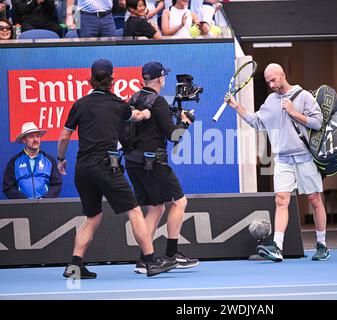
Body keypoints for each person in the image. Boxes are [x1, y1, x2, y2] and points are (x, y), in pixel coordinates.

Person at [57, 59, 177, 279]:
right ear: (112, 79)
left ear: (91, 78)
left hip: (82, 169)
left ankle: (74, 266)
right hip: (105, 166)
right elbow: (138, 115)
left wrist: (60, 158)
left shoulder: (80, 104)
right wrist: (147, 114)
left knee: (93, 217)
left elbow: (65, 135)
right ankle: (150, 260)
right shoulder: (117, 103)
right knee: (134, 210)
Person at [224, 63, 330, 262]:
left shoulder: (304, 96)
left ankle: (322, 245)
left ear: (282, 75)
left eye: (274, 80)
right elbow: (256, 122)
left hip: (305, 156)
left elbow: (317, 123)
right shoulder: (270, 101)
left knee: (314, 200)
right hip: (282, 159)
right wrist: (235, 105)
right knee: (281, 200)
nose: (271, 84)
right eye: (268, 82)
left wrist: (293, 112)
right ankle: (277, 246)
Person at [121, 61, 199, 273]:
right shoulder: (158, 102)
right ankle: (172, 253)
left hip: (133, 162)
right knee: (180, 202)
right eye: (164, 76)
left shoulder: (134, 98)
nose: (165, 79)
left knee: (155, 208)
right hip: (153, 162)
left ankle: (144, 259)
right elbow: (173, 135)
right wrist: (186, 122)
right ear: (159, 79)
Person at [3, 122, 62, 199]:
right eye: (31, 137)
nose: (35, 139)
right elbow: (8, 187)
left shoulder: (49, 160)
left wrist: (45, 199)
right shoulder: (14, 162)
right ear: (24, 139)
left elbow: (56, 184)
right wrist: (24, 201)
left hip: (46, 206)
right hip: (22, 208)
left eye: (37, 136)